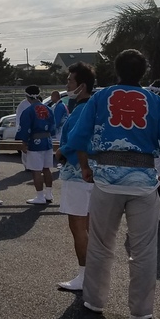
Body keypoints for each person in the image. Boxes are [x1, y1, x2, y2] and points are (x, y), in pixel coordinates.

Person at [68, 49, 160, 319]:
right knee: (144, 249)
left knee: (100, 244)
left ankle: (95, 300)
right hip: (144, 182)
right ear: (143, 72)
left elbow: (78, 137)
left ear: (117, 70)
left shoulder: (100, 97)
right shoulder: (155, 102)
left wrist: (86, 167)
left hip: (106, 181)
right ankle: (141, 310)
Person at [56, 61, 95, 291]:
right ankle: (91, 271)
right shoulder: (91, 107)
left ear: (81, 86)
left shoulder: (82, 109)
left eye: (70, 81)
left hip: (77, 172)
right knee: (88, 225)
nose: (67, 84)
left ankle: (84, 274)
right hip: (89, 173)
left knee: (78, 226)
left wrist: (63, 151)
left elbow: (79, 140)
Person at [17, 85, 55, 205]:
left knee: (36, 170)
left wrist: (24, 142)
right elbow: (53, 127)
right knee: (47, 169)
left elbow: (24, 129)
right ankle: (49, 194)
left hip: (35, 142)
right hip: (47, 141)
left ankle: (40, 196)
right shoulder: (48, 109)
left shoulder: (28, 111)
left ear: (27, 96)